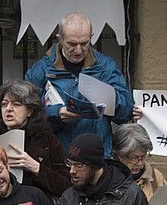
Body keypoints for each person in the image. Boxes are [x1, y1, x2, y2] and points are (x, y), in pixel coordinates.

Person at [23, 12, 136, 154]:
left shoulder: (105, 66)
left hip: (96, 157)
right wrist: (56, 113)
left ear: (91, 38)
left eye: (84, 43)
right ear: (60, 38)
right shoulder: (41, 69)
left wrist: (107, 98)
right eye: (72, 44)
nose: (78, 50)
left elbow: (125, 113)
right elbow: (25, 112)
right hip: (57, 157)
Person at [0, 79, 69, 200]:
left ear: (30, 110)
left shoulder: (46, 139)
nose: (8, 109)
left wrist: (35, 167)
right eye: (4, 104)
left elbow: (66, 186)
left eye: (16, 104)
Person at [112, 123, 167, 205]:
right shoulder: (107, 179)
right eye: (134, 157)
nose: (140, 163)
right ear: (119, 154)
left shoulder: (155, 177)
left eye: (143, 156)